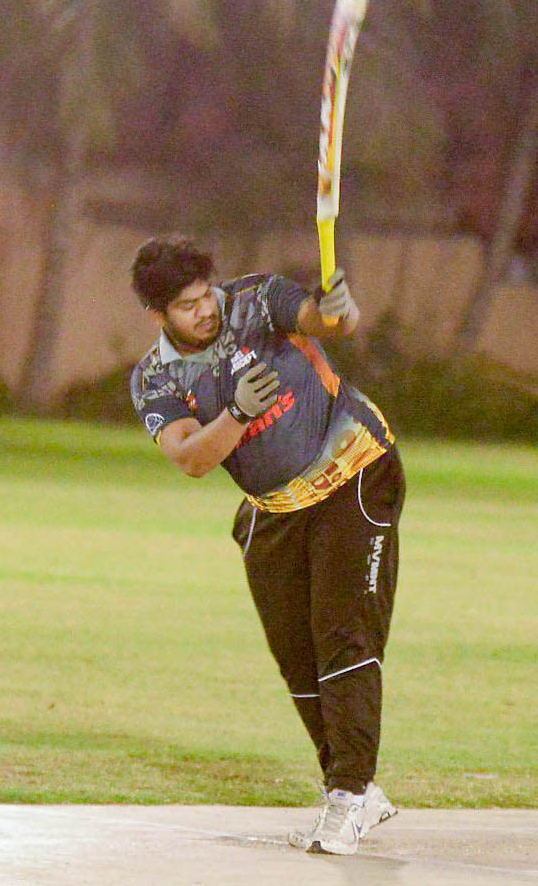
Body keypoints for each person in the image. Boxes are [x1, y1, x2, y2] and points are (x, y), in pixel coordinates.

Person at [127, 236, 405, 855]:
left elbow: (321, 320)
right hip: (275, 508)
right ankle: (353, 790)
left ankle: (350, 794)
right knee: (297, 658)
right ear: (157, 314)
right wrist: (235, 413)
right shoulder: (154, 378)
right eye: (187, 306)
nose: (206, 310)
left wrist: (337, 309)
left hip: (353, 470)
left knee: (343, 635)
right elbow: (190, 457)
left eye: (205, 295)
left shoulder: (254, 300)